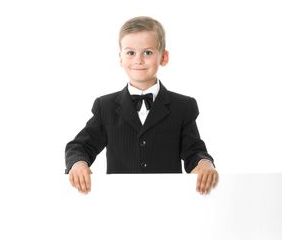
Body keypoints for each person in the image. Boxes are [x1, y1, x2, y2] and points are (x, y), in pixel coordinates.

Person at [65, 16, 218, 195]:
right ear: (120, 58)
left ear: (164, 57)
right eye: (130, 53)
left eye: (147, 52)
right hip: (119, 199)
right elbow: (80, 147)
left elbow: (194, 152)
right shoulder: (105, 106)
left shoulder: (183, 106)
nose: (138, 60)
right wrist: (78, 164)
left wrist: (204, 164)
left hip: (169, 199)